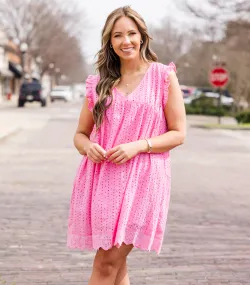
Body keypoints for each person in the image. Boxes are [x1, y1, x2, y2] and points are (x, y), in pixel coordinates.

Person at [67, 6, 186, 285]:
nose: (126, 41)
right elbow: (80, 134)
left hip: (143, 179)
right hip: (103, 181)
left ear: (142, 36)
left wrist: (139, 145)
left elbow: (178, 133)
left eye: (131, 33)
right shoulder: (99, 84)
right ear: (110, 42)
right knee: (115, 266)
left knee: (107, 261)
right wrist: (87, 147)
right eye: (118, 35)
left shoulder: (162, 77)